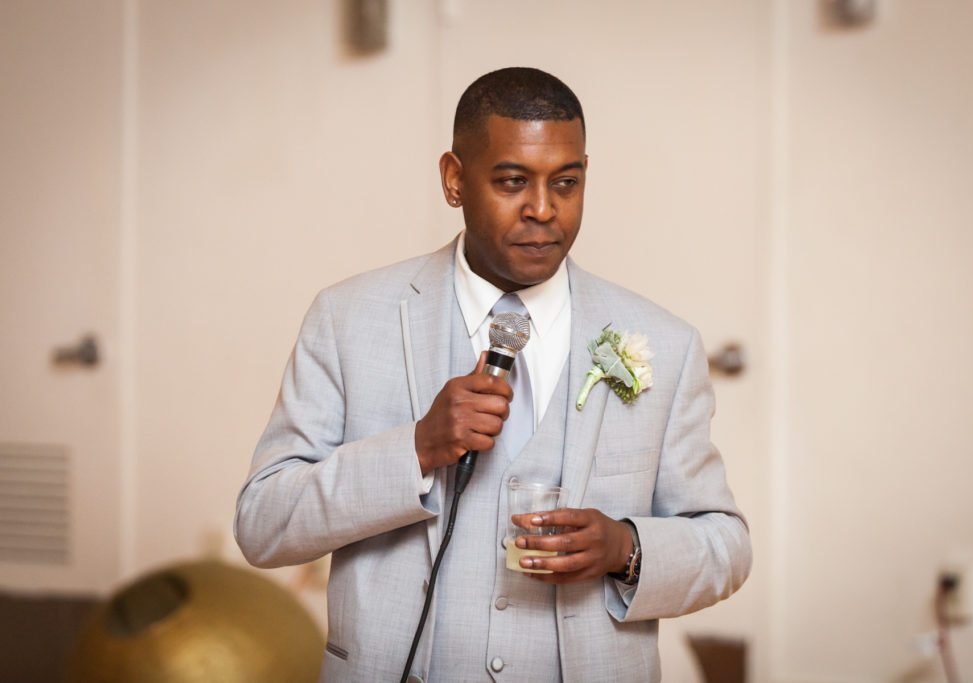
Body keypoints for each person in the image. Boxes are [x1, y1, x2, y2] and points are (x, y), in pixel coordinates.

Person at [234, 67, 751, 682]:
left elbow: (726, 546)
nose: (542, 209)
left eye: (567, 182)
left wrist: (626, 549)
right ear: (454, 180)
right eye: (512, 181)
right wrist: (416, 449)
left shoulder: (666, 343)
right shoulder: (348, 319)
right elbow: (264, 525)